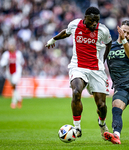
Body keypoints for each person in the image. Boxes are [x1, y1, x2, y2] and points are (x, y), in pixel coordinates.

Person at [45, 7, 112, 140]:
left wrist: (103, 60)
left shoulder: (103, 30)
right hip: (78, 66)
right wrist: (54, 39)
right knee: (76, 92)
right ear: (85, 18)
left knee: (102, 105)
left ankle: (102, 124)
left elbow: (109, 43)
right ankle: (77, 127)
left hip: (96, 69)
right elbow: (66, 32)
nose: (94, 23)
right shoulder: (75, 24)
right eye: (92, 20)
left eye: (97, 21)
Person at [0, 38, 24, 109]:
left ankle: (13, 102)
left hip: (16, 72)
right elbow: (2, 63)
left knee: (14, 84)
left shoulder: (18, 54)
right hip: (9, 72)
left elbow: (21, 62)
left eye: (12, 45)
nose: (11, 47)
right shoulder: (6, 54)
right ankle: (19, 99)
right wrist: (5, 63)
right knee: (13, 87)